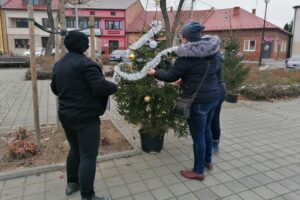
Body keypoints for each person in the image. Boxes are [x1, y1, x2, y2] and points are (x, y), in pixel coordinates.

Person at [148, 22, 221, 181]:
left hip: (198, 101)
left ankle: (198, 171)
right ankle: (208, 161)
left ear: (187, 38)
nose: (182, 40)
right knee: (207, 129)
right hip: (213, 97)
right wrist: (186, 80)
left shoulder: (187, 55)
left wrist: (154, 72)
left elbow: (170, 76)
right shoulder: (214, 51)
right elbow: (208, 73)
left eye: (183, 37)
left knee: (198, 136)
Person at [50, 31, 117, 200]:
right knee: (88, 155)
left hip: (66, 115)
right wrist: (114, 87)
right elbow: (99, 87)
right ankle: (88, 195)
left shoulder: (59, 64)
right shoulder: (87, 64)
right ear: (83, 45)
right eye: (86, 43)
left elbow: (54, 88)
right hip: (86, 118)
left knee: (75, 149)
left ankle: (72, 183)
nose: (88, 45)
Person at [211, 52, 226, 153]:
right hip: (215, 90)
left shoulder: (215, 57)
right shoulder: (215, 55)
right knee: (211, 119)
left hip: (217, 91)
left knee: (214, 119)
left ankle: (215, 144)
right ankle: (211, 141)